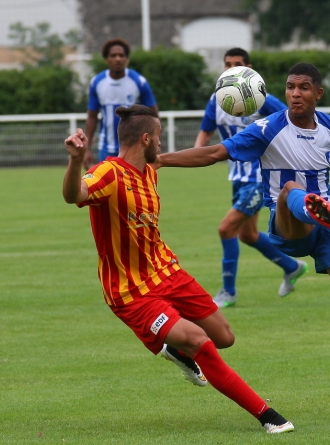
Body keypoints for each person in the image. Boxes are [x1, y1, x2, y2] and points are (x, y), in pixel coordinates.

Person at [155, 63, 330, 415]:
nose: (296, 93)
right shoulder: (267, 128)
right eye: (291, 87)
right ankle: (310, 206)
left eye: (304, 87)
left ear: (318, 94)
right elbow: (214, 152)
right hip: (287, 226)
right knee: (290, 190)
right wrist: (158, 160)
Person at [62, 104, 294, 434]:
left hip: (168, 272)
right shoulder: (108, 173)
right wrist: (74, 160)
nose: (162, 142)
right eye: (159, 137)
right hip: (131, 292)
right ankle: (268, 416)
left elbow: (196, 158)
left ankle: (174, 349)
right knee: (201, 342)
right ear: (146, 139)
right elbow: (75, 195)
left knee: (224, 337)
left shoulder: (151, 170)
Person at [196, 48, 307, 307]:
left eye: (237, 64)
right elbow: (205, 133)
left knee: (226, 229)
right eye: (227, 64)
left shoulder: (261, 98)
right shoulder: (217, 100)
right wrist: (195, 157)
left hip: (260, 177)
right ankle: (292, 267)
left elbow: (292, 119)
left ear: (249, 69)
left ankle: (228, 292)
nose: (231, 68)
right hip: (237, 178)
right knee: (247, 235)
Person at [83, 38, 159, 169]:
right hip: (106, 147)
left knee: (133, 187)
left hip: (135, 147)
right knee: (107, 187)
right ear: (106, 59)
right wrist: (87, 148)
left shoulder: (139, 82)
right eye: (113, 55)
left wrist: (155, 142)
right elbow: (92, 116)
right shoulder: (97, 82)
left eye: (121, 55)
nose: (117, 59)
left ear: (126, 59)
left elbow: (153, 114)